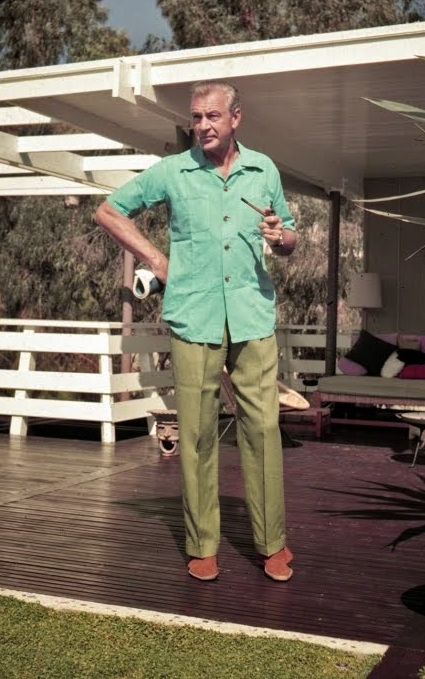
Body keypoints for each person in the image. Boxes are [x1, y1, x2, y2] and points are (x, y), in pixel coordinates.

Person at [94, 80, 297, 582]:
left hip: (252, 316)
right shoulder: (174, 171)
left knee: (264, 429)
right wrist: (159, 261)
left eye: (212, 117)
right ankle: (202, 544)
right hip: (193, 315)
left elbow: (289, 235)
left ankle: (272, 544)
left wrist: (282, 235)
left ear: (236, 118)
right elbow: (108, 210)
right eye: (196, 117)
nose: (203, 126)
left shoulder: (263, 169)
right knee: (199, 433)